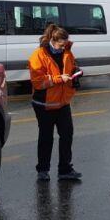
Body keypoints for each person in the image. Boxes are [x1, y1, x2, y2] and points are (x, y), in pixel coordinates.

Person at [28, 24, 82, 181]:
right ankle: (43, 170)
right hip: (44, 104)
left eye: (65, 45)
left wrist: (75, 73)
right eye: (60, 45)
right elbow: (38, 82)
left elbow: (71, 67)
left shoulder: (67, 52)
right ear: (53, 40)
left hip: (63, 102)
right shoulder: (38, 55)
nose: (62, 48)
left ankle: (65, 169)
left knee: (67, 135)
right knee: (46, 137)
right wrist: (59, 79)